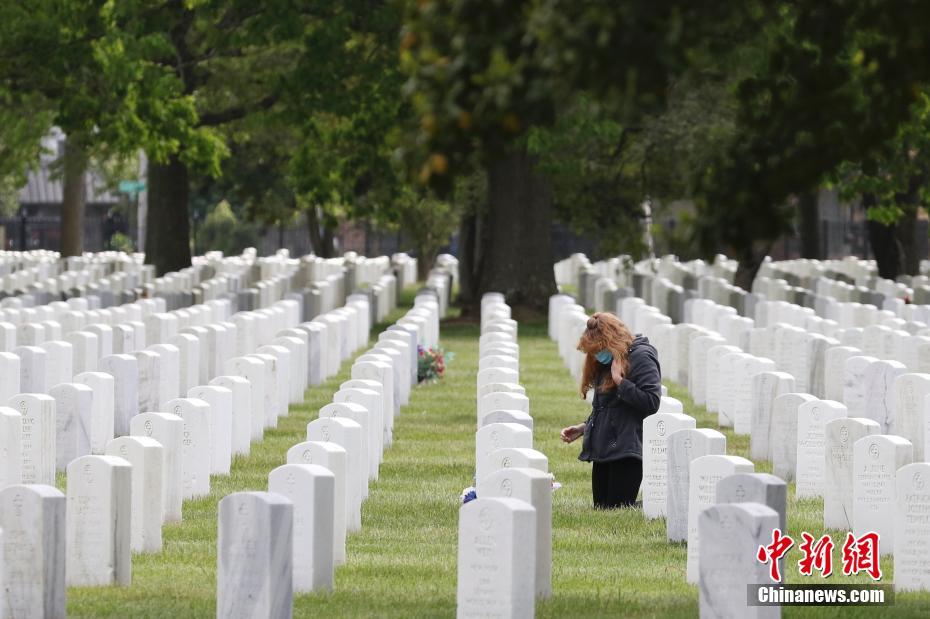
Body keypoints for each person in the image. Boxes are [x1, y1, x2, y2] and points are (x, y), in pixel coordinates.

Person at [560, 312, 661, 509]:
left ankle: (658, 507)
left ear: (613, 340)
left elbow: (652, 401)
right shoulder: (606, 360)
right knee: (601, 508)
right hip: (604, 447)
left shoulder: (641, 357)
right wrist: (584, 428)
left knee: (618, 508)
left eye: (599, 349)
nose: (597, 355)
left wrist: (620, 382)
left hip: (626, 449)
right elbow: (607, 406)